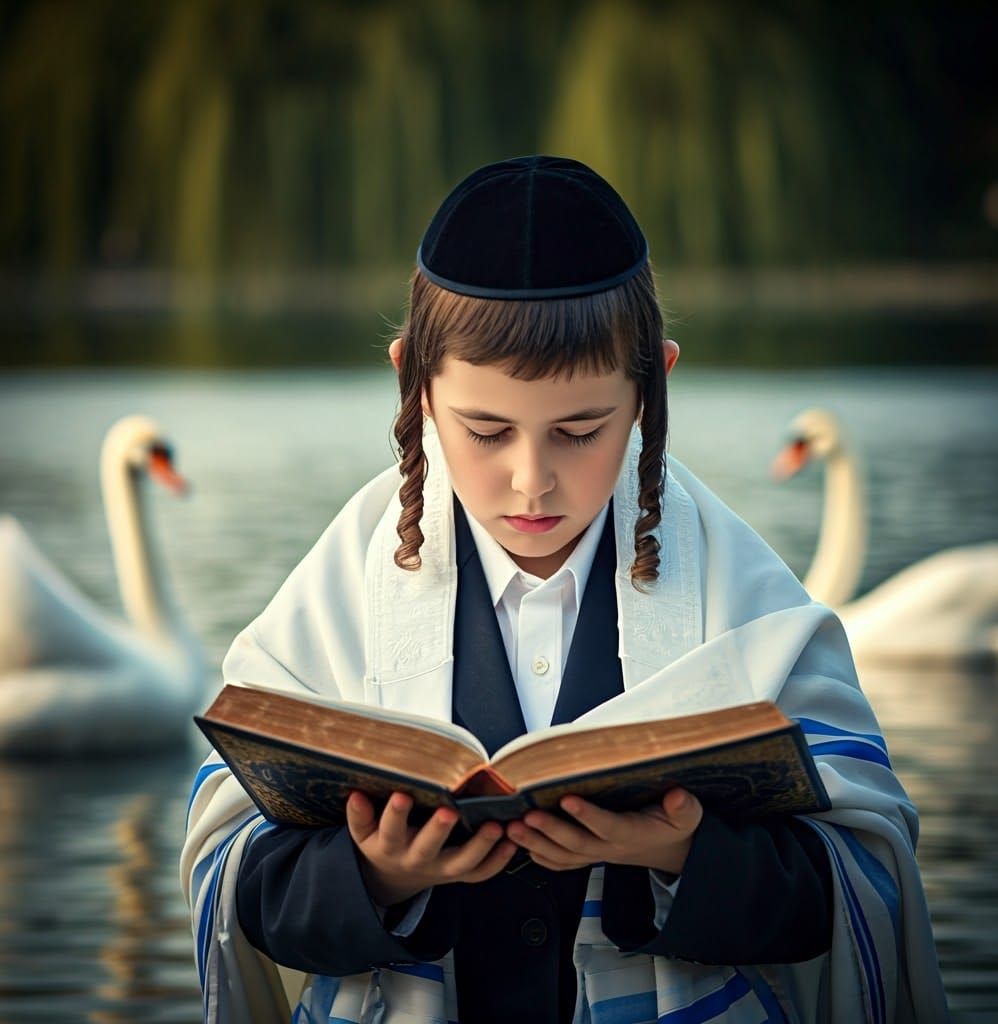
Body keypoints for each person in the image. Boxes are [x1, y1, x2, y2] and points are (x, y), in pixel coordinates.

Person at [181, 155, 948, 1023]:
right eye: (486, 430)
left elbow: (855, 884)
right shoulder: (335, 599)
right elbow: (240, 886)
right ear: (414, 384)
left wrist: (686, 856)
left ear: (653, 384)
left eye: (581, 431)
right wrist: (379, 874)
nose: (531, 481)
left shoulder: (747, 600)